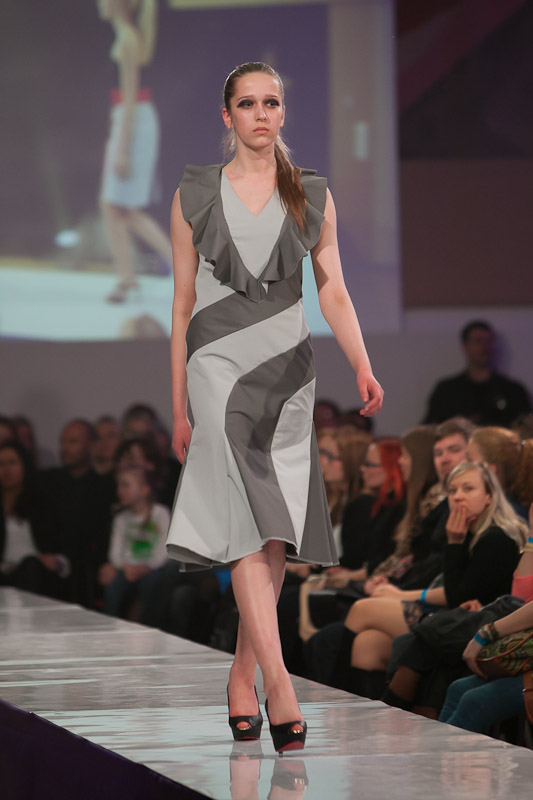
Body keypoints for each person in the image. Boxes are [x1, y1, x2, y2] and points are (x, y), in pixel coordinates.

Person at [165, 62, 383, 752]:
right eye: (247, 103)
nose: (261, 113)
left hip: (288, 365)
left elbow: (333, 289)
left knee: (272, 532)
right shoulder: (194, 192)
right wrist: (179, 403)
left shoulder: (310, 192)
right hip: (216, 363)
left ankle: (242, 673)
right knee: (243, 517)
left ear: (283, 112)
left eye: (271, 102)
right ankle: (280, 682)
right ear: (226, 115)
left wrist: (361, 361)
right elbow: (182, 302)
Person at [97, 0, 172, 302]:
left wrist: (123, 149)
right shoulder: (126, 37)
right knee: (116, 207)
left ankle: (180, 269)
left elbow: (130, 98)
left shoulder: (127, 38)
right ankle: (127, 278)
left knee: (119, 207)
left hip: (135, 121)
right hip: (131, 119)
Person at [424, 320, 531, 427]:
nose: (485, 347)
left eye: (488, 341)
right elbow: (429, 427)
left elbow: (527, 426)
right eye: (478, 341)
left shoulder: (513, 391)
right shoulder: (447, 391)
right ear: (465, 346)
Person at [99, 465, 169, 621]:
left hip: (152, 569)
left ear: (144, 490)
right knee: (113, 590)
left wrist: (147, 566)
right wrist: (126, 567)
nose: (119, 491)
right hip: (127, 569)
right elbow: (115, 553)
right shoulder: (121, 519)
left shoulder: (161, 514)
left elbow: (164, 549)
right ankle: (109, 624)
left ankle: (148, 625)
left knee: (150, 584)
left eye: (125, 485)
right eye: (119, 485)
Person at [0, 440, 68, 598]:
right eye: (1, 464)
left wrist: (56, 560)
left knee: (30, 566)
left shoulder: (43, 504)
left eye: (12, 463)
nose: (6, 469)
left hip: (36, 572)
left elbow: (63, 550)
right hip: (3, 573)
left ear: (24, 466)